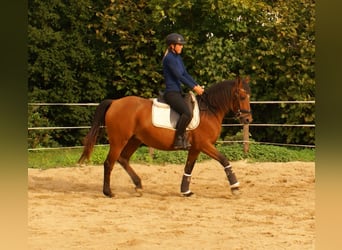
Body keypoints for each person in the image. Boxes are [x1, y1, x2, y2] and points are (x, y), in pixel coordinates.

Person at [162, 33, 204, 149]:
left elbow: (185, 74)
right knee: (187, 113)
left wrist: (197, 85)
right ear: (172, 46)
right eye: (179, 45)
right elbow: (178, 76)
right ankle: (178, 139)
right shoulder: (169, 58)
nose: (182, 47)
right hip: (171, 93)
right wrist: (194, 88)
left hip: (178, 92)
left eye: (182, 45)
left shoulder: (178, 58)